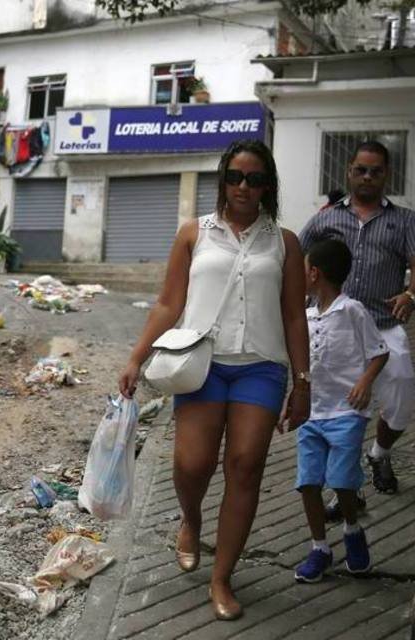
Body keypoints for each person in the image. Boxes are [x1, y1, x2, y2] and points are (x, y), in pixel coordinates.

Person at [118, 139, 310, 621]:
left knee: (245, 466)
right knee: (192, 465)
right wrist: (136, 359)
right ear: (223, 178)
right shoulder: (193, 233)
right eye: (236, 177)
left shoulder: (283, 241)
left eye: (256, 179)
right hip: (200, 363)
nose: (244, 187)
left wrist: (302, 380)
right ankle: (191, 516)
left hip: (262, 366)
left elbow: (293, 317)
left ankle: (221, 578)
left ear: (268, 186)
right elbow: (168, 303)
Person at [299, 141, 415, 495]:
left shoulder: (405, 220)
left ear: (386, 176)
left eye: (375, 171)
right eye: (360, 170)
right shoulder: (326, 217)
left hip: (383, 323)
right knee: (336, 407)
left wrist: (411, 295)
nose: (367, 177)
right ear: (349, 172)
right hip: (335, 327)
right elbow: (297, 258)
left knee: (402, 399)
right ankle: (342, 492)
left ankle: (379, 453)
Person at [293, 239, 388, 583]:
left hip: (347, 413)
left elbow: (379, 351)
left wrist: (365, 381)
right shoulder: (303, 317)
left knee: (342, 480)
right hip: (311, 416)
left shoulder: (353, 310)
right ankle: (320, 547)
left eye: (302, 270)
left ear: (314, 274)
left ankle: (352, 529)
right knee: (307, 482)